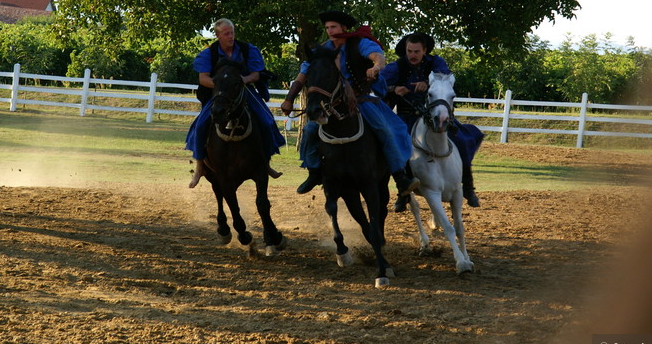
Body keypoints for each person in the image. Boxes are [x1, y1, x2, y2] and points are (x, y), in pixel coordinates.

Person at [280, 11, 420, 196]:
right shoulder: (322, 50)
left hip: (361, 101)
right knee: (309, 131)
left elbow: (379, 57)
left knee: (386, 130)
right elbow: (303, 75)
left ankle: (400, 176)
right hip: (332, 104)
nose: (330, 31)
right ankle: (314, 172)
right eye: (327, 28)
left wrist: (376, 67)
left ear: (344, 28)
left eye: (334, 27)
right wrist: (289, 99)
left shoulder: (359, 43)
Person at [380, 32, 484, 209]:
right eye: (409, 51)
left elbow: (445, 80)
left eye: (416, 51)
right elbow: (378, 83)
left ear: (424, 51)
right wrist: (394, 88)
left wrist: (428, 85)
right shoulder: (396, 67)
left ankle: (467, 186)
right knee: (398, 143)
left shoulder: (436, 62)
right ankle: (403, 191)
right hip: (406, 116)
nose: (412, 55)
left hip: (435, 113)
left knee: (462, 139)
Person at [185, 18, 284, 187]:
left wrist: (242, 80)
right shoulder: (209, 53)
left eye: (232, 32)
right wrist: (223, 85)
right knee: (201, 125)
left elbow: (256, 74)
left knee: (267, 121)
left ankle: (265, 163)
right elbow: (203, 79)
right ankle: (200, 166)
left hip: (244, 90)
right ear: (217, 35)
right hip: (220, 94)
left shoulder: (247, 50)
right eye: (226, 33)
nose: (231, 36)